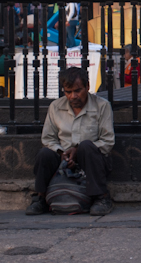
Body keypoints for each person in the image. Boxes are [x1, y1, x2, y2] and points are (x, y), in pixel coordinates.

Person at [26, 67, 115, 216]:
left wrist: (78, 150)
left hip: (91, 160)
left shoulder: (102, 106)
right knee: (44, 154)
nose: (73, 96)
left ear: (87, 87)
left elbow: (107, 141)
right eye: (68, 92)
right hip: (63, 159)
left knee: (87, 146)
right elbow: (48, 139)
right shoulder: (56, 107)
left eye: (78, 91)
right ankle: (40, 198)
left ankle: (101, 198)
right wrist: (62, 153)